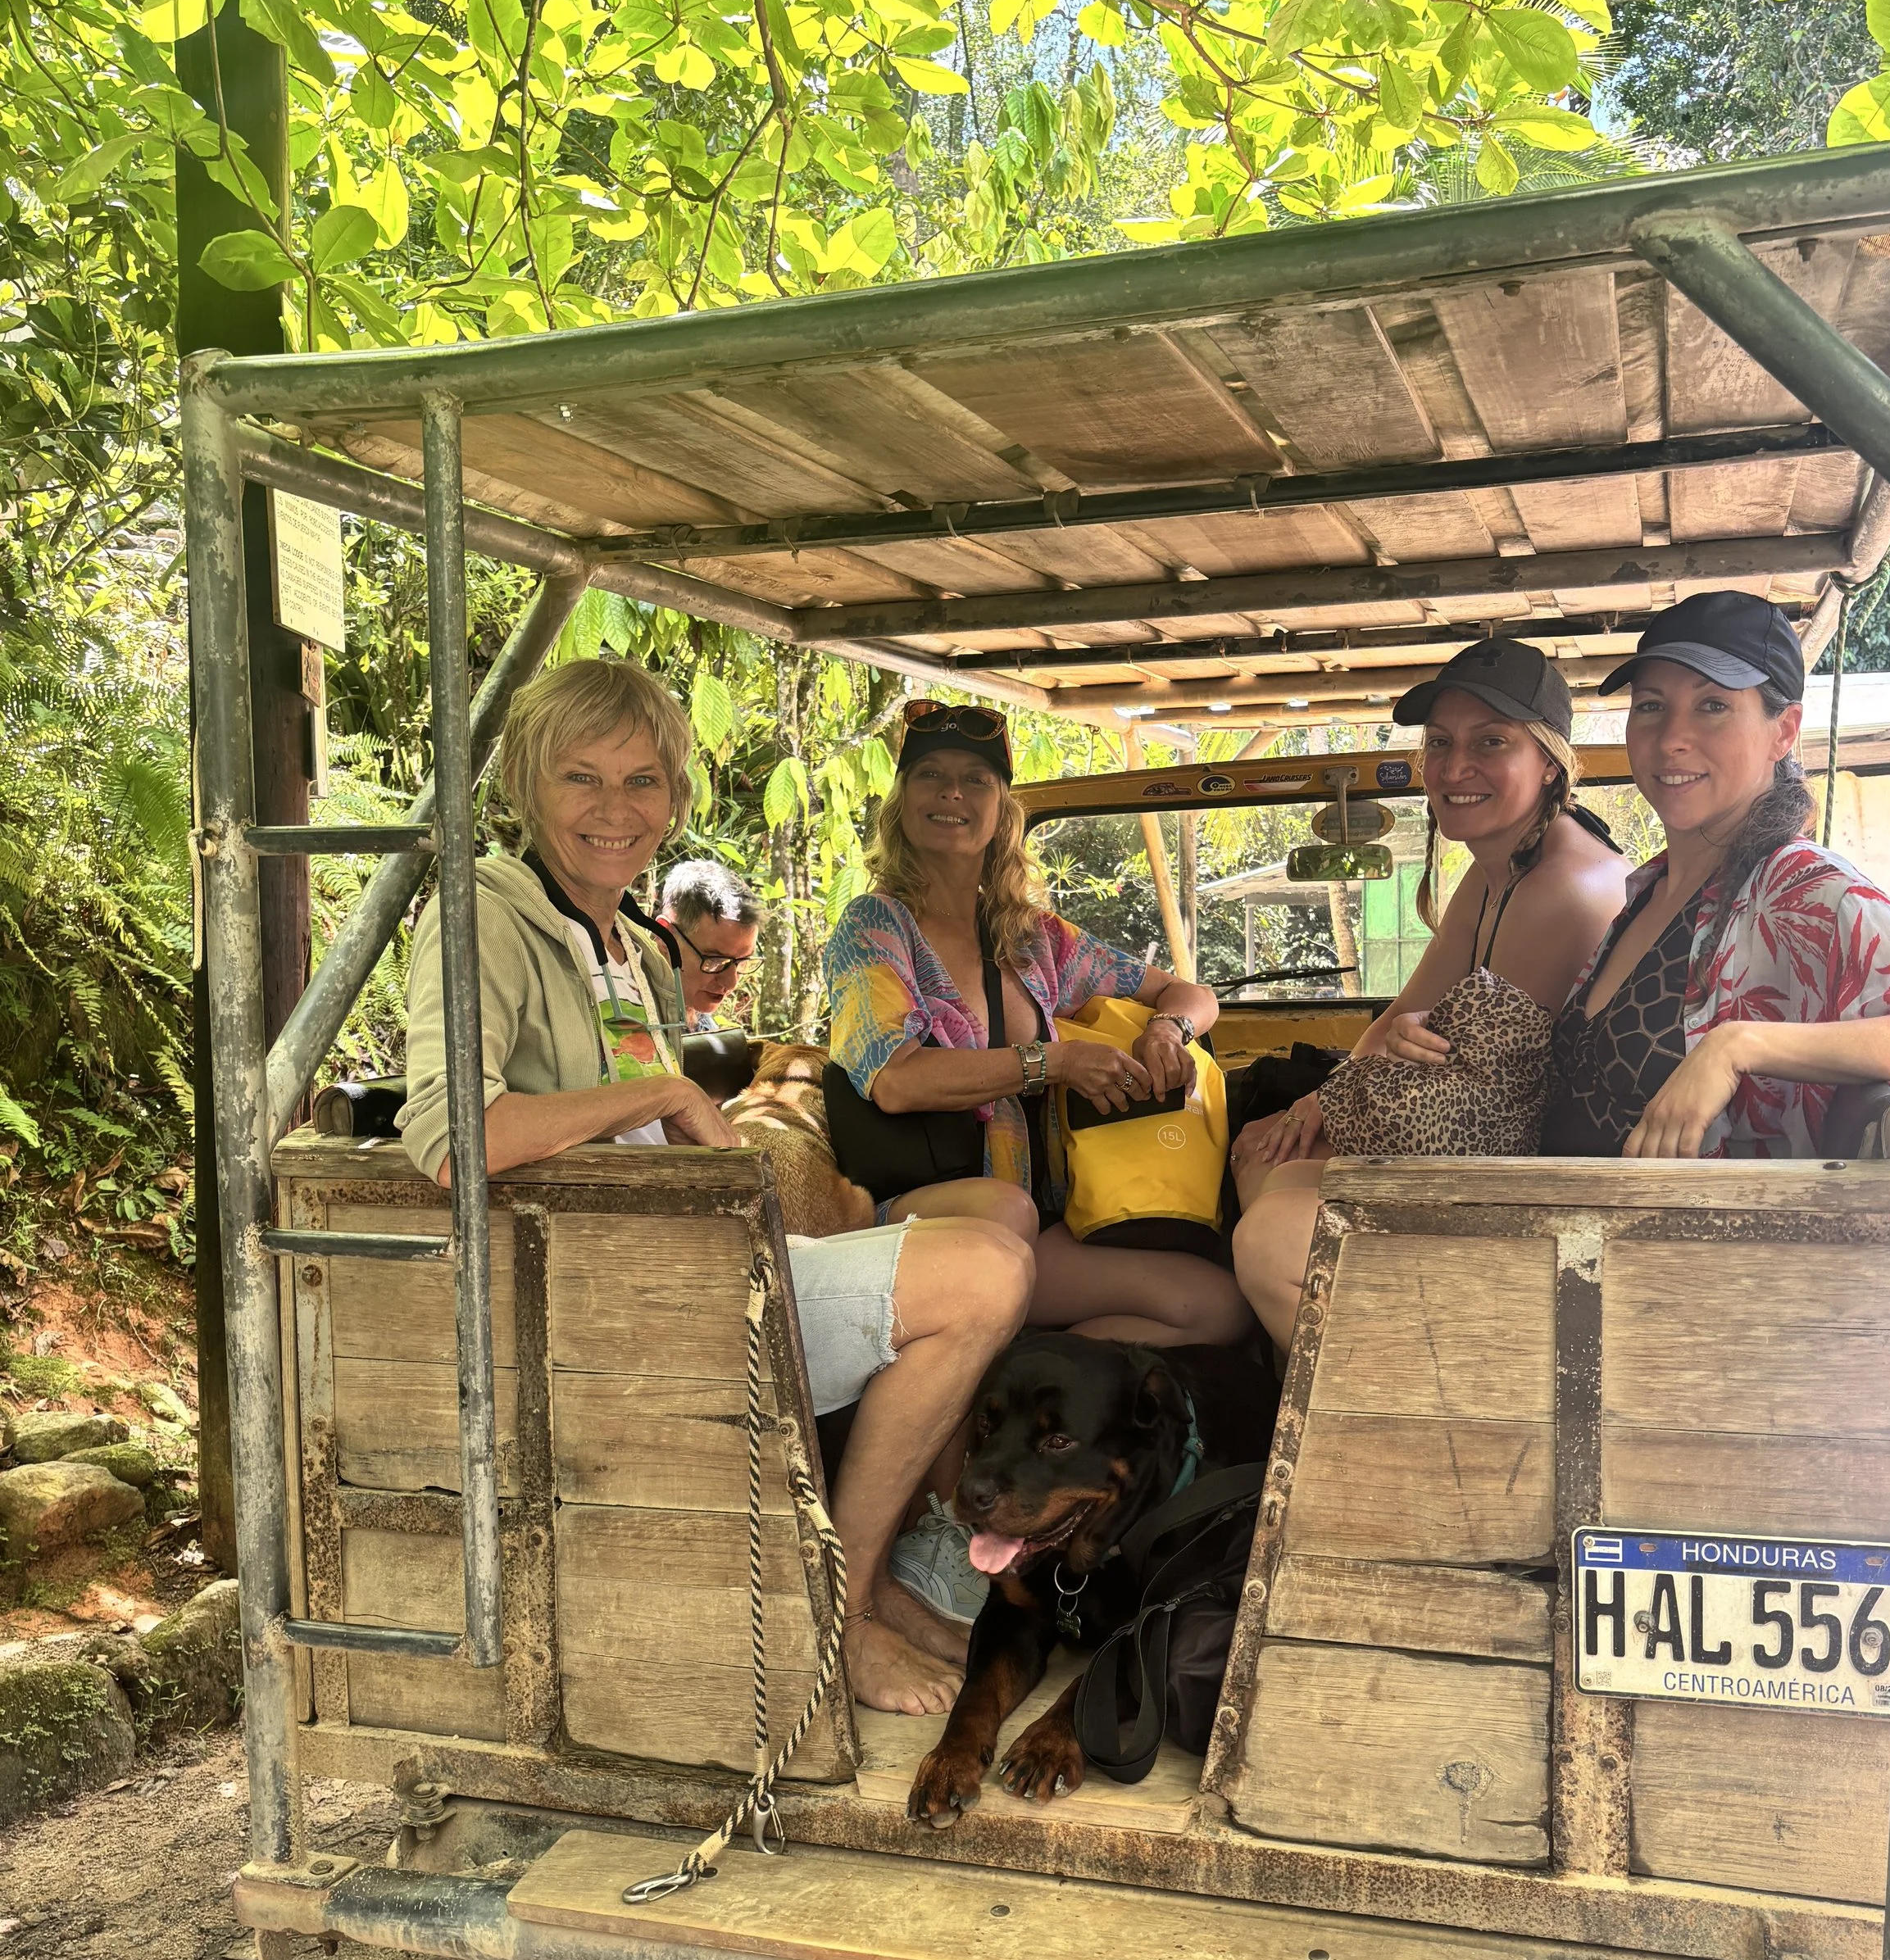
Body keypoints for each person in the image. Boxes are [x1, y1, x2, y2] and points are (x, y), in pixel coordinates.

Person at [397, 658, 1029, 1717]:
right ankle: (843, 1605)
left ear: (675, 801)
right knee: (977, 1281)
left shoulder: (634, 945)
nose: (614, 810)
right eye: (580, 779)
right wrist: (658, 1092)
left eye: (642, 782)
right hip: (613, 1298)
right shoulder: (483, 917)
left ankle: (873, 1583)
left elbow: (651, 1114)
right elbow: (452, 1136)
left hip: (704, 1255)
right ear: (525, 784)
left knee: (1007, 1246)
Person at [1541, 592, 1890, 1157]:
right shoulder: (1646, 892)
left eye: (1712, 706)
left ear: (1784, 731)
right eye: (1652, 705)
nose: (1671, 737)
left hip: (1705, 1244)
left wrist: (1740, 1044)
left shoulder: (1802, 889)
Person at [1231, 640, 1630, 1349]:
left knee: (1269, 1233)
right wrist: (1318, 1099)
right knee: (1265, 1161)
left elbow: (1462, 1117)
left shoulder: (1563, 890)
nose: (1453, 767)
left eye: (1491, 742)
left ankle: (1396, 1433)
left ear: (1549, 763)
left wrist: (1346, 1091)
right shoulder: (1494, 872)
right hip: (1486, 1163)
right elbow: (1396, 1021)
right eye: (1440, 742)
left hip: (1533, 1195)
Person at [824, 701, 1252, 1350]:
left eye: (977, 779)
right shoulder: (875, 926)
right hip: (910, 1216)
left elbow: (1190, 993)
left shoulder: (1034, 937)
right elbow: (896, 1082)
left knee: (1217, 1305)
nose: (951, 792)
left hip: (1036, 1212)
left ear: (1002, 809)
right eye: (929, 774)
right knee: (1005, 1211)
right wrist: (1052, 1062)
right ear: (902, 801)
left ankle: (1035, 1367)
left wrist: (1166, 1032)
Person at [658, 857, 761, 1029]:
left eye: (742, 962)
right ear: (665, 937)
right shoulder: (624, 1013)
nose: (731, 983)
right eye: (715, 961)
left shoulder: (701, 1019)